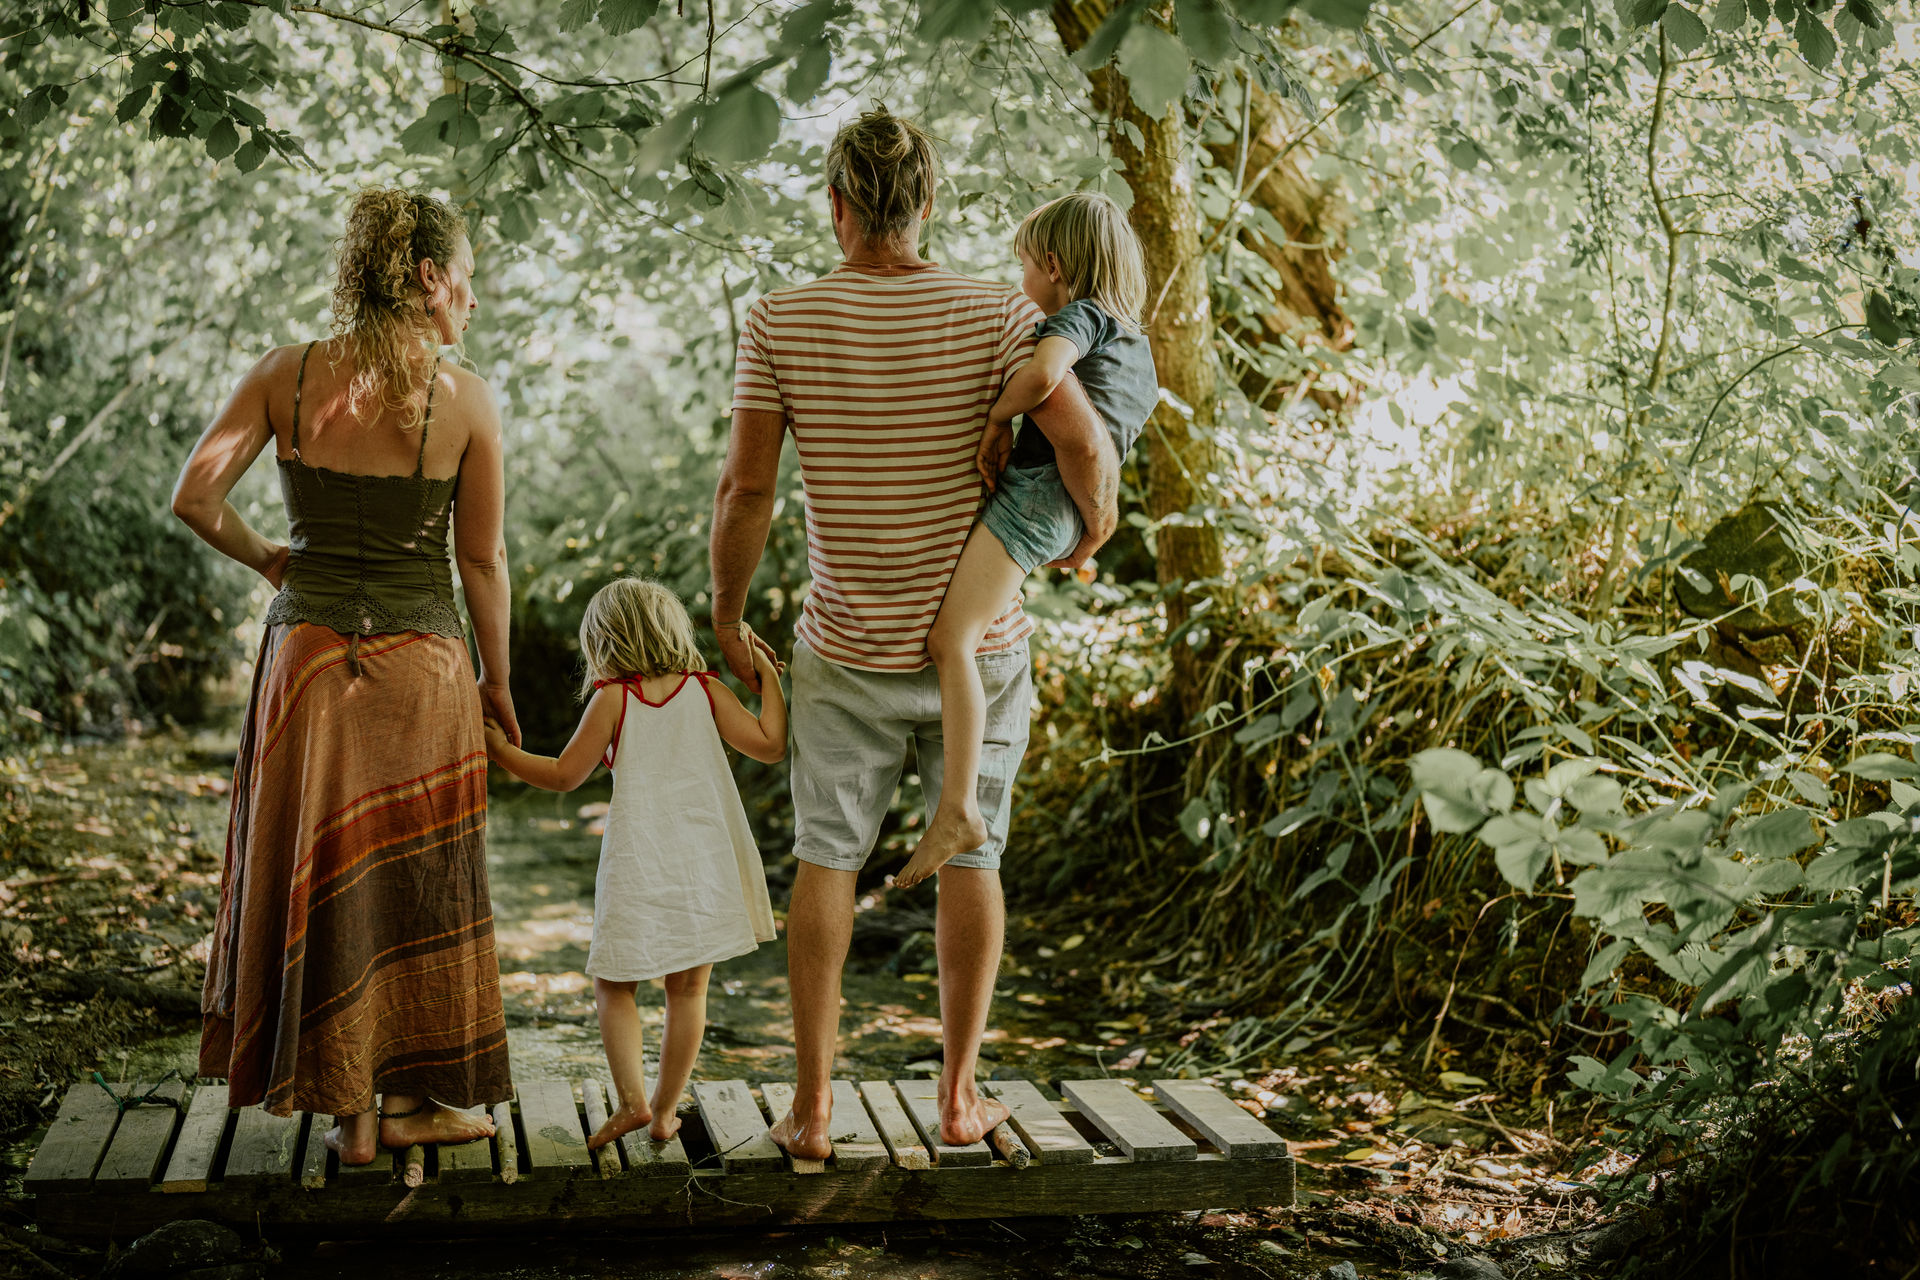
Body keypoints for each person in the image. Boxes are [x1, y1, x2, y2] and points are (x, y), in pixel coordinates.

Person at [711, 109, 1121, 1158]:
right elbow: (1082, 440)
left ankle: (811, 1109)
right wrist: (1092, 529)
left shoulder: (779, 321)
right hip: (979, 648)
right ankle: (958, 1099)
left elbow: (747, 488)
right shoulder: (998, 314)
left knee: (826, 859)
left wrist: (726, 609)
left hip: (844, 645)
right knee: (973, 855)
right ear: (928, 202)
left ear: (837, 206)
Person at [172, 188, 516, 1162]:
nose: (474, 300)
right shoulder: (465, 399)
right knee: (415, 876)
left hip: (309, 663)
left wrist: (271, 560)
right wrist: (495, 681)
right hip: (425, 666)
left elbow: (195, 497)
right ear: (430, 278)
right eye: (469, 280)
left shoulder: (283, 375)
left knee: (324, 870)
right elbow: (482, 559)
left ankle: (347, 1114)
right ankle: (410, 1104)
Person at [895, 192, 1158, 890]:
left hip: (1041, 496)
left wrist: (994, 418)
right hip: (1067, 509)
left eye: (1025, 267)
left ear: (1054, 264)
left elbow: (1043, 377)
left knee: (951, 640)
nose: (1022, 283)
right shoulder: (1137, 345)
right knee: (965, 634)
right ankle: (960, 807)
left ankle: (958, 810)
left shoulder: (1081, 317)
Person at [481, 577, 783, 1150]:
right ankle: (665, 1113)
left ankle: (631, 1103)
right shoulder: (706, 690)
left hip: (640, 858)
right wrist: (767, 673)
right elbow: (770, 745)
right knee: (688, 990)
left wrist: (501, 751)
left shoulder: (614, 699)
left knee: (614, 984)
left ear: (605, 641)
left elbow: (564, 776)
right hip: (706, 857)